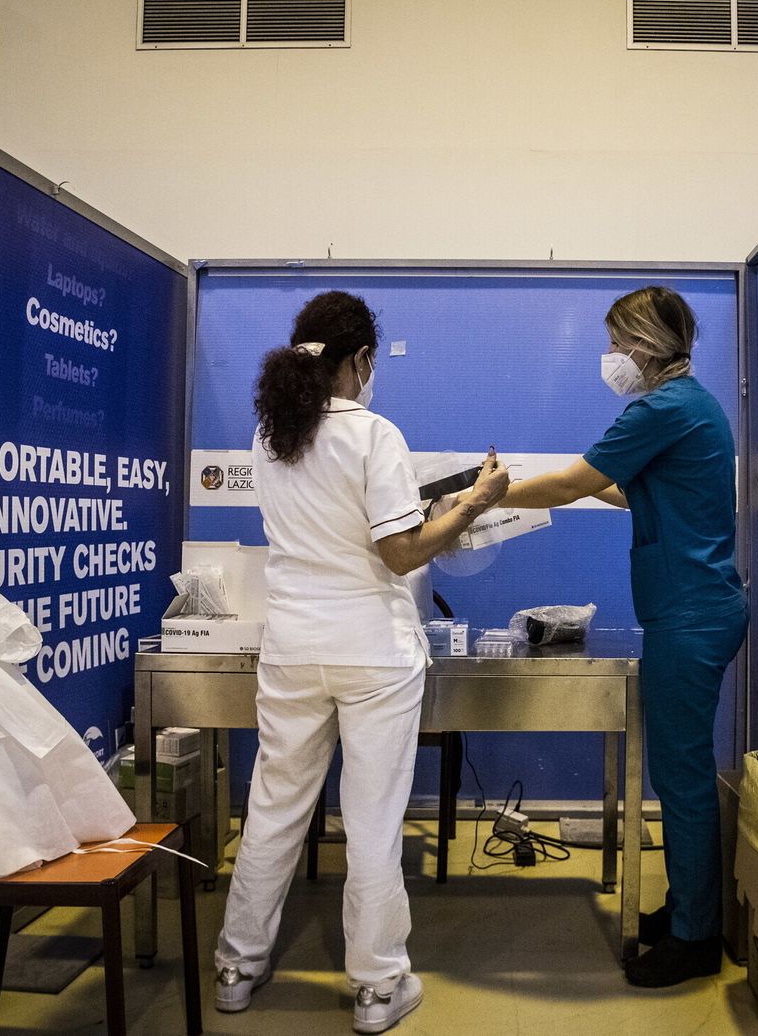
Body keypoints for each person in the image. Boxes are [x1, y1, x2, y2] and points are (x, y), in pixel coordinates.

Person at [213, 290, 509, 1032]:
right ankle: (377, 988)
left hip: (292, 650)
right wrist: (472, 505)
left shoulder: (269, 435)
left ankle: (235, 969)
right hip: (372, 653)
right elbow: (399, 551)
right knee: (373, 821)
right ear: (361, 359)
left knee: (274, 812)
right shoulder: (374, 435)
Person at [500, 285, 747, 988]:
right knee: (680, 773)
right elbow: (621, 490)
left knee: (683, 778)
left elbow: (575, 482)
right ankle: (686, 909)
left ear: (645, 344)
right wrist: (553, 490)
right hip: (697, 609)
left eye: (616, 342)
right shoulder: (688, 407)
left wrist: (486, 498)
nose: (611, 357)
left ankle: (696, 938)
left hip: (691, 616)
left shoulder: (663, 407)